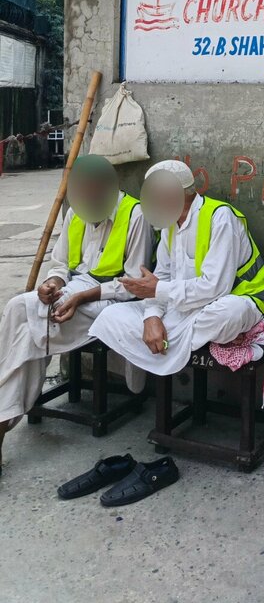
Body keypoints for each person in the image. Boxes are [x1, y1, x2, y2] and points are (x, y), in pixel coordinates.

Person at [0, 155, 154, 472]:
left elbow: (133, 285)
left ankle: (3, 422)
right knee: (19, 306)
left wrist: (81, 297)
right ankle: (6, 408)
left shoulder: (135, 214)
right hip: (75, 290)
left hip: (110, 299)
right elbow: (61, 266)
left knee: (32, 333)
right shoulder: (75, 213)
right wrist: (51, 284)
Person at [90, 160, 264, 377]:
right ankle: (185, 337)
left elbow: (216, 288)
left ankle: (173, 339)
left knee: (227, 314)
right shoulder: (168, 222)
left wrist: (158, 290)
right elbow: (162, 276)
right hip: (184, 309)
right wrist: (152, 317)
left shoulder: (220, 217)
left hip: (229, 301)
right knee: (111, 315)